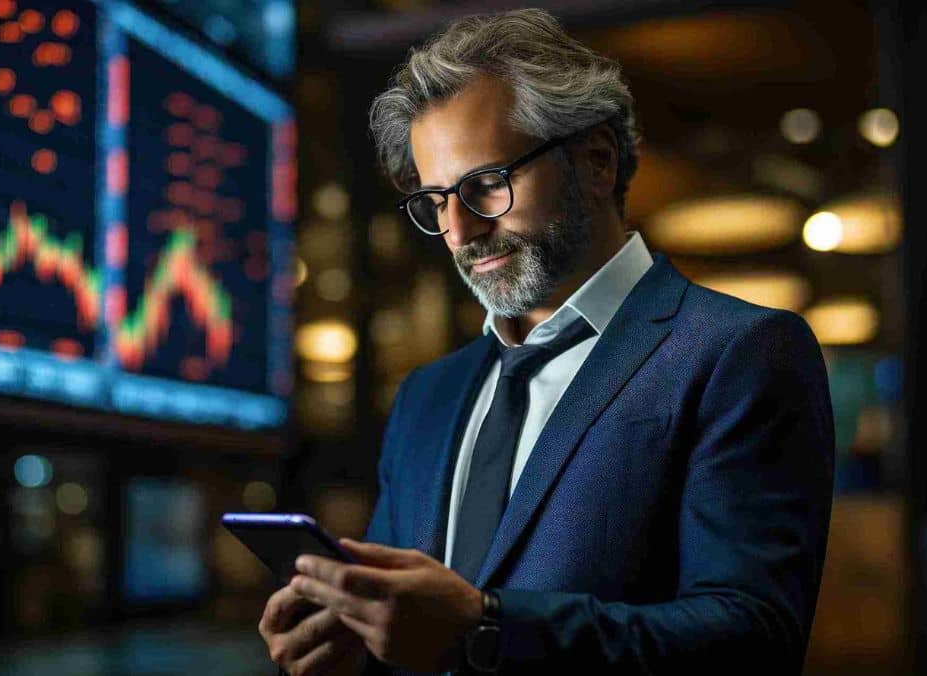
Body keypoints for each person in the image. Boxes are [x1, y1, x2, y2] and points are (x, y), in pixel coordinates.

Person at [259, 9, 835, 675]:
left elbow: (753, 639)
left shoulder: (741, 352)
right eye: (436, 201)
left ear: (595, 161)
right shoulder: (427, 396)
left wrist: (487, 629)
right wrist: (348, 647)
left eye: (486, 186)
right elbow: (406, 636)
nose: (461, 233)